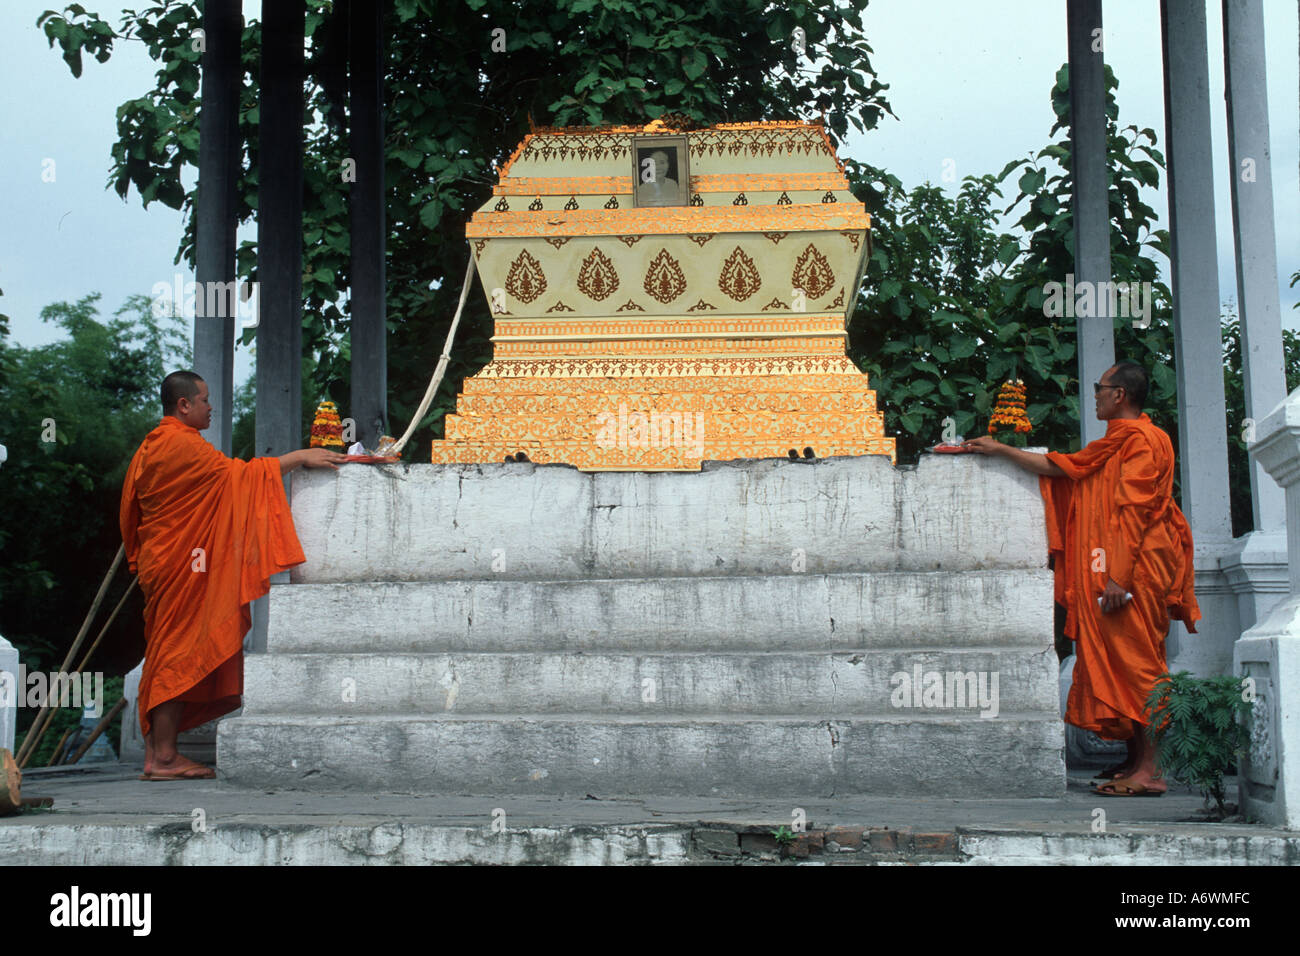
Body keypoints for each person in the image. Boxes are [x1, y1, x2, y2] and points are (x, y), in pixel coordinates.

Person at [965, 362, 1200, 796]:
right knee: (1116, 658)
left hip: (1136, 569)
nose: (1094, 395)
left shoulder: (1143, 442)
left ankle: (1151, 771)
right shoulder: (1115, 442)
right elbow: (1063, 468)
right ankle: (1134, 762)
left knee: (1139, 664)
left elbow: (1136, 511)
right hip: (1115, 566)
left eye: (1100, 388)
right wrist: (999, 450)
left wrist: (1119, 579)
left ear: (1120, 396)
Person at [119, 370, 346, 780]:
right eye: (205, 400)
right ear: (184, 405)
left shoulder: (150, 446)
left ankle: (158, 754)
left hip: (166, 561)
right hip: (182, 564)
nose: (211, 407)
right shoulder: (179, 445)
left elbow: (137, 510)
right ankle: (165, 757)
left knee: (167, 650)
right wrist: (299, 457)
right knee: (176, 653)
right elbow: (239, 478)